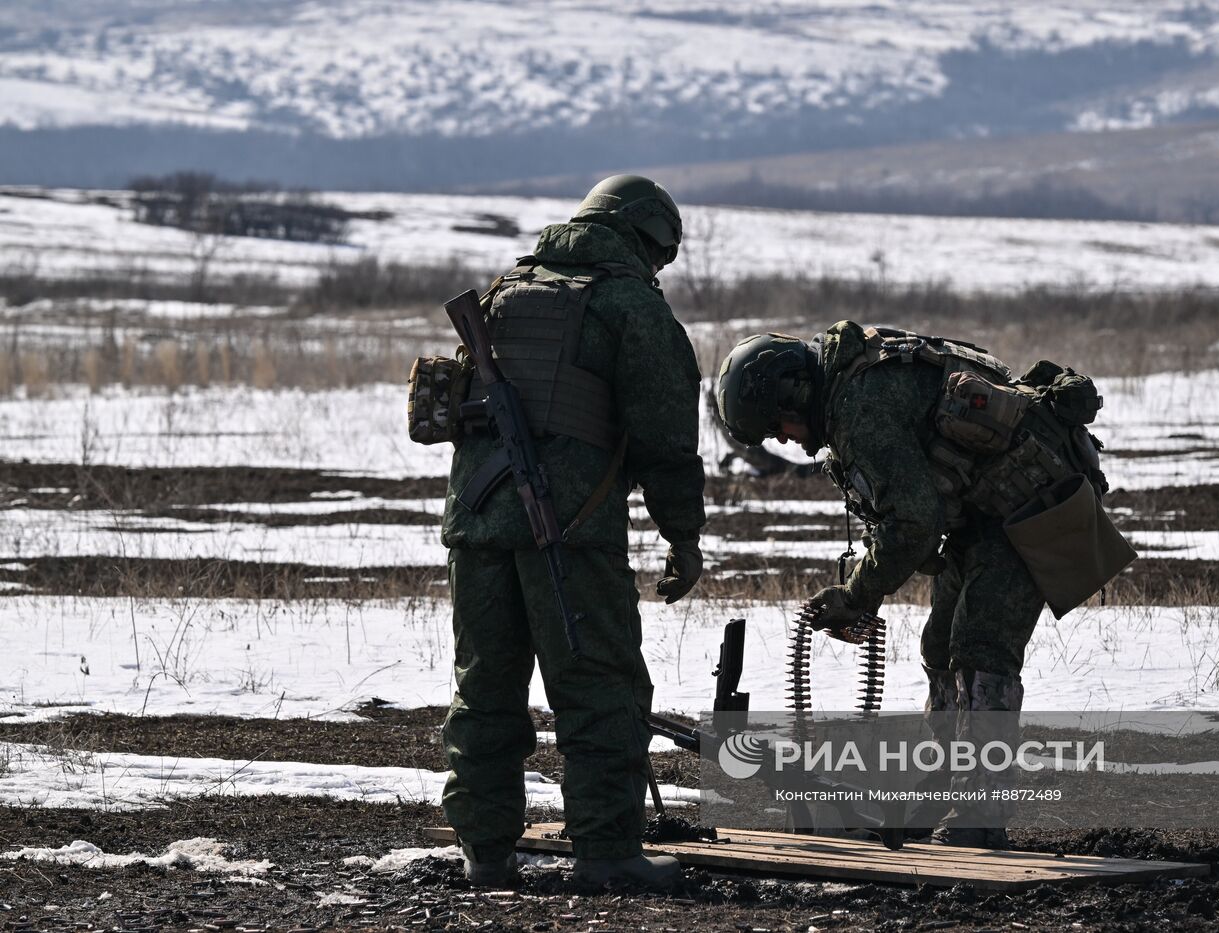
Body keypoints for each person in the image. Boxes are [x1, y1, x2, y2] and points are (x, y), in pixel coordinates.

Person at [714, 322, 1132, 848]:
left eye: (780, 425)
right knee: (940, 646)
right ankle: (940, 790)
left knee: (981, 650)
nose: (786, 441)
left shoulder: (858, 404)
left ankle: (979, 813)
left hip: (1030, 506)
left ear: (795, 393)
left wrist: (858, 595)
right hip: (980, 513)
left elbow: (912, 521)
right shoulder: (853, 384)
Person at [439, 175, 706, 888]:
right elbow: (667, 437)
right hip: (567, 529)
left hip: (474, 524)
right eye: (659, 253)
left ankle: (485, 851)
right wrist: (683, 536)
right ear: (643, 239)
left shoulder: (505, 290)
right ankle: (606, 851)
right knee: (599, 687)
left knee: (486, 689)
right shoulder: (628, 304)